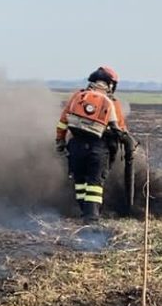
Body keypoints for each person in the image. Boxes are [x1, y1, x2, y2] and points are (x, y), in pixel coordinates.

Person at [55, 66, 131, 223]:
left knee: (80, 181)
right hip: (98, 148)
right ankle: (91, 220)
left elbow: (63, 121)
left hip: (75, 146)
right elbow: (121, 129)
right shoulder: (111, 103)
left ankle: (84, 211)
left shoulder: (78, 97)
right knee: (95, 184)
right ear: (110, 84)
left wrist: (60, 141)